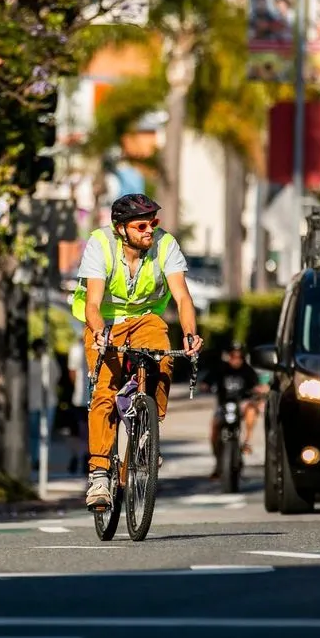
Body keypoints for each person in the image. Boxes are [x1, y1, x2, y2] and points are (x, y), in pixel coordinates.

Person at [71, 193, 203, 510]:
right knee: (105, 391)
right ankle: (100, 474)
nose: (149, 230)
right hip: (105, 320)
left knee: (164, 362)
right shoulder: (100, 244)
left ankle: (146, 436)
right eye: (141, 225)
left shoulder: (165, 244)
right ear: (121, 229)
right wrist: (100, 334)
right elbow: (92, 303)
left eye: (153, 223)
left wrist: (190, 334)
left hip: (145, 318)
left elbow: (183, 298)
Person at [199, 342, 268, 479]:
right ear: (228, 357)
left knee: (251, 410)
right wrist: (204, 386)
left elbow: (257, 385)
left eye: (239, 357)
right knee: (214, 428)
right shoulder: (220, 369)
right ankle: (218, 460)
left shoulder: (247, 370)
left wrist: (260, 389)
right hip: (223, 406)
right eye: (233, 356)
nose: (236, 360)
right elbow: (206, 382)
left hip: (241, 405)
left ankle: (247, 442)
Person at [27, 337, 56, 470]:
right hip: (33, 402)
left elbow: (56, 377)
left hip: (48, 401)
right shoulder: (29, 364)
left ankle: (43, 459)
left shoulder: (50, 362)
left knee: (45, 433)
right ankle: (34, 458)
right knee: (34, 433)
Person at [66, 336, 91, 474]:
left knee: (80, 431)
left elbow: (72, 373)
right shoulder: (78, 349)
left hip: (80, 396)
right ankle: (84, 458)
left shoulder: (75, 349)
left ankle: (79, 458)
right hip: (88, 396)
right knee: (86, 431)